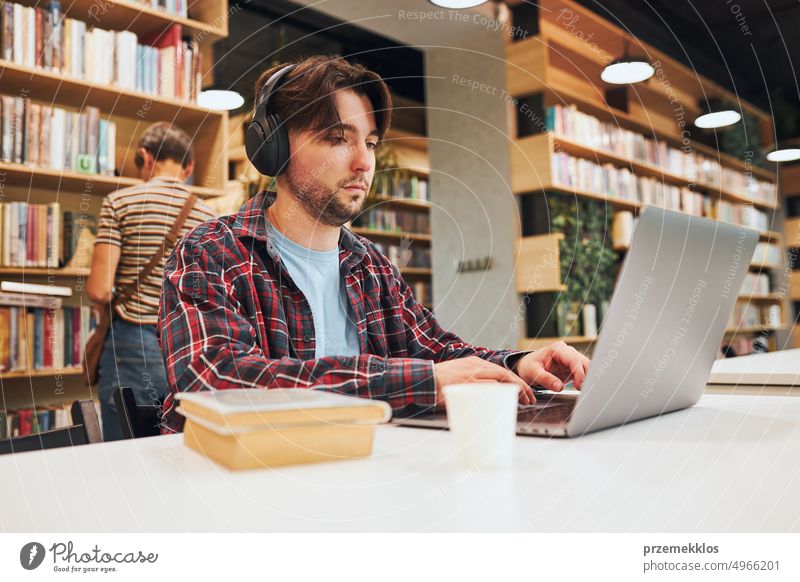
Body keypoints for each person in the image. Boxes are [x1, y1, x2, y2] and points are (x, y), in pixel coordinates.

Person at [157, 55, 590, 434]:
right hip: (238, 492)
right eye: (337, 138)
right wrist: (421, 382)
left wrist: (515, 364)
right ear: (274, 146)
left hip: (358, 477)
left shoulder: (371, 266)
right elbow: (215, 380)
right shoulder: (212, 252)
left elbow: (438, 351)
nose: (364, 162)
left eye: (370, 143)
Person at [87, 122, 216, 441]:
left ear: (145, 157)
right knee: (178, 444)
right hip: (189, 348)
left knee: (126, 450)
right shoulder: (209, 217)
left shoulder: (120, 203)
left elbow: (99, 289)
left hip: (133, 342)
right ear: (189, 166)